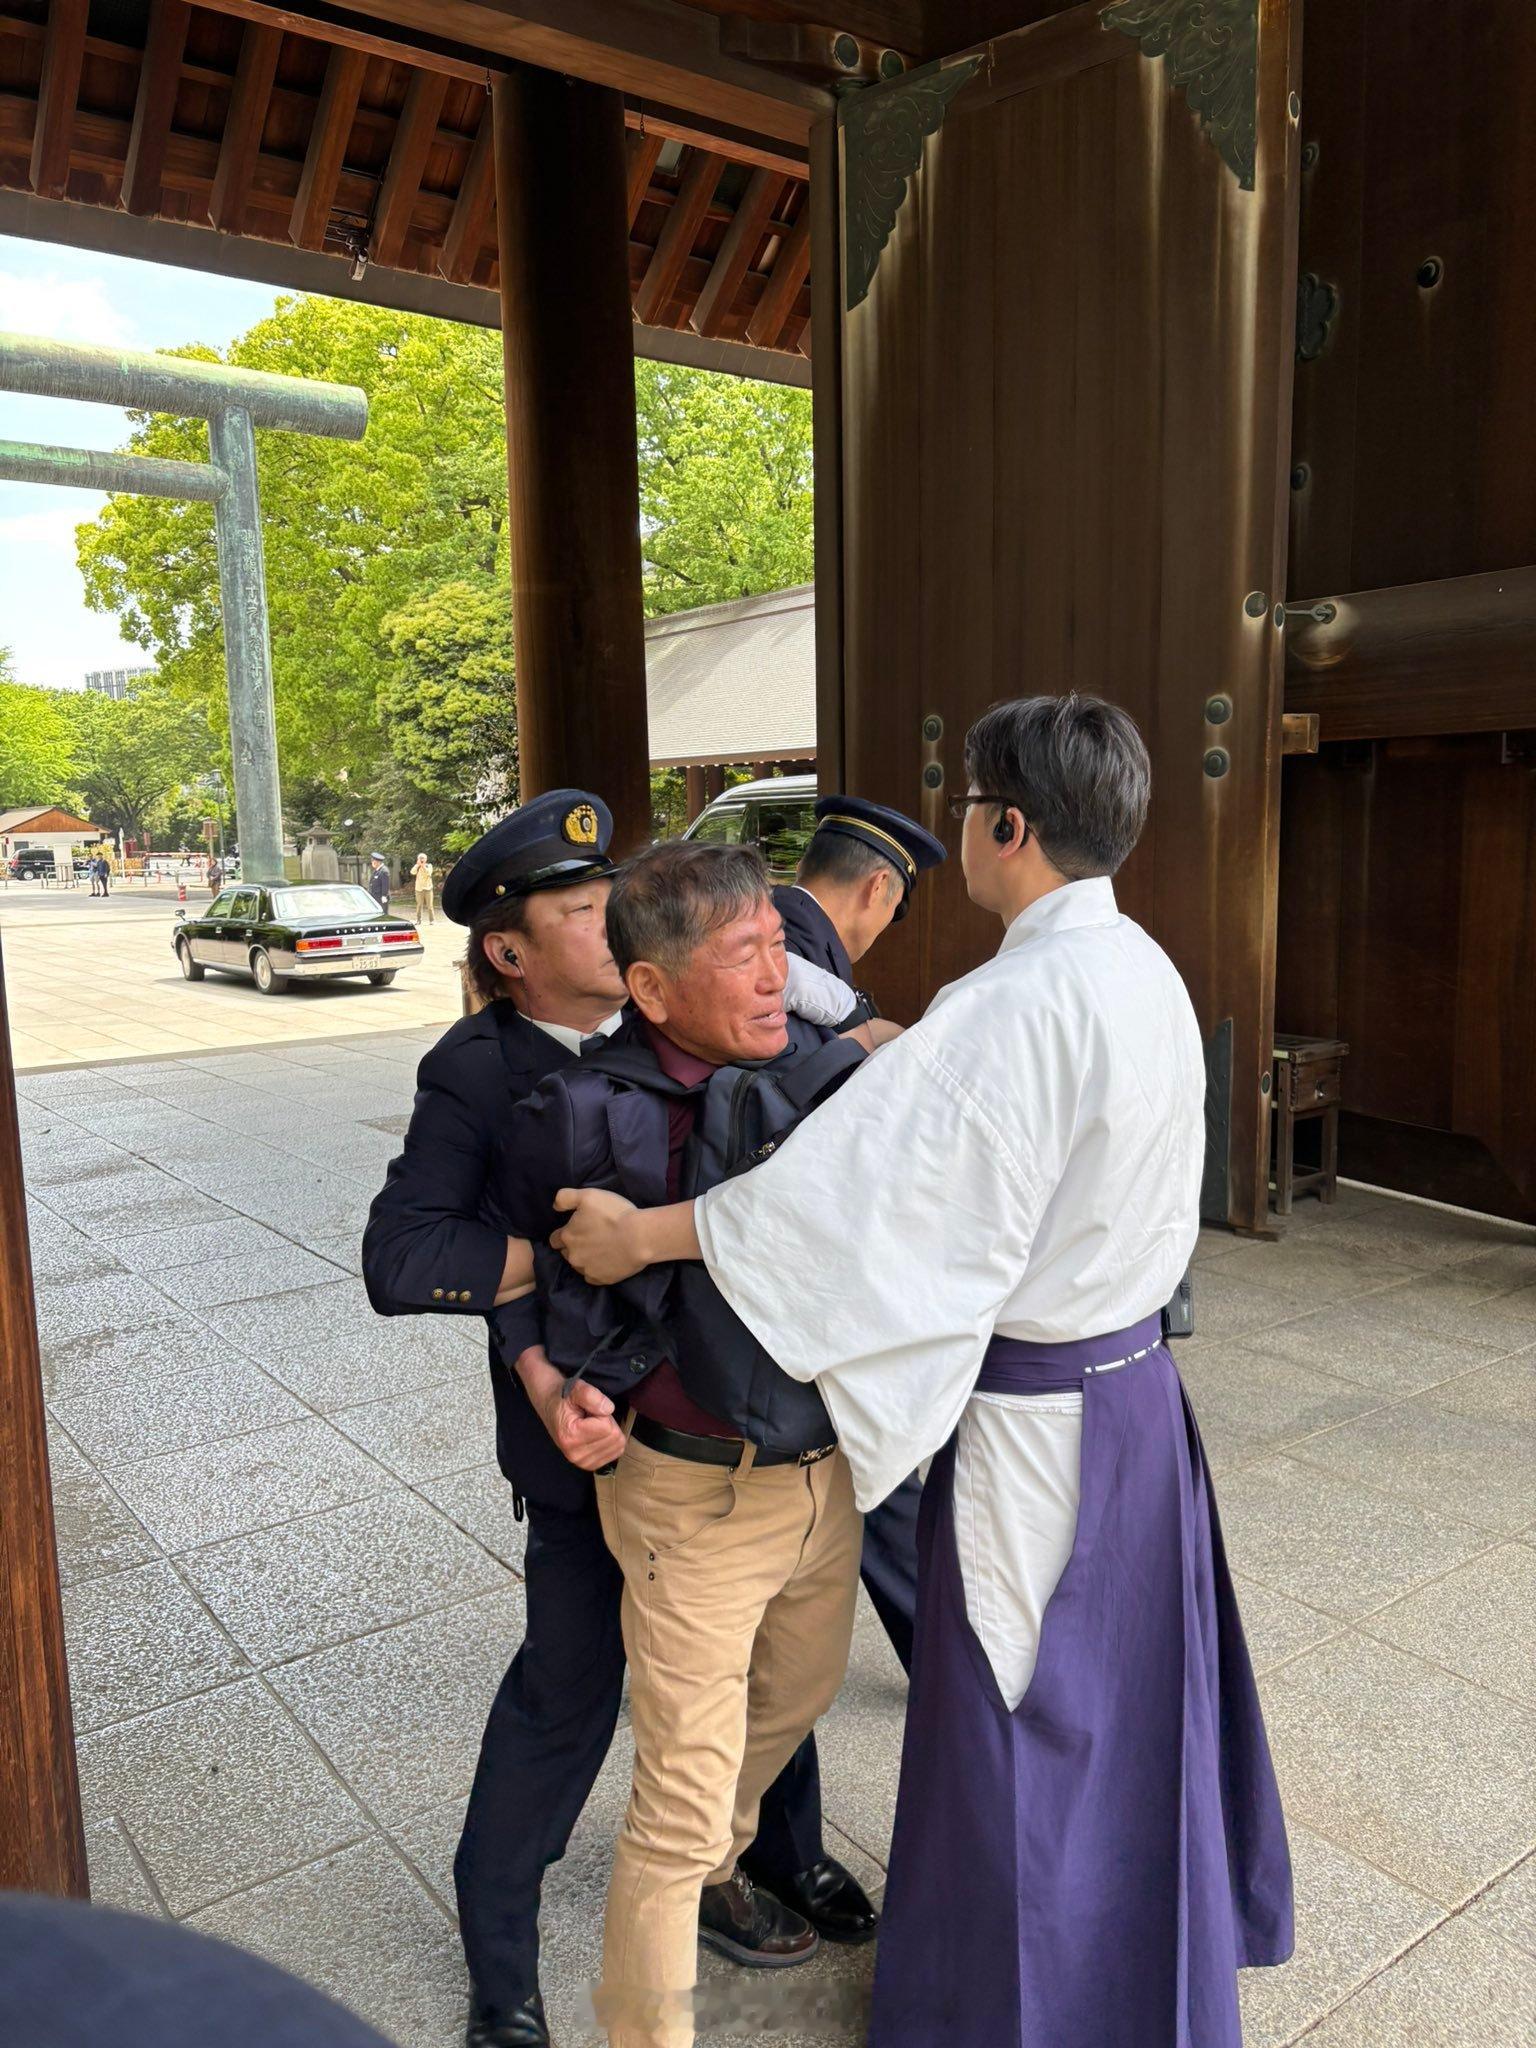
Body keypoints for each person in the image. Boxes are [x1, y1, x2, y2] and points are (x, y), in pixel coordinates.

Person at [553, 696, 1296, 2048]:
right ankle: (1149, 1966)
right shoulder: (1142, 968)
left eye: (969, 809)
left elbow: (850, 1206)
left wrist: (642, 1233)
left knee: (1028, 1720)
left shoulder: (1012, 1000)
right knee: (1123, 1704)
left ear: (1008, 826)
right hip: (1134, 1399)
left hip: (1040, 1420)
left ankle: (1028, 2011)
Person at [362, 801, 874, 2048]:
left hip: (762, 1433)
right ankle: (503, 1956)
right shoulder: (482, 1074)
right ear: (510, 952)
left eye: (616, 897)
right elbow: (405, 1252)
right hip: (588, 1436)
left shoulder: (746, 1012)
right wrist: (561, 1301)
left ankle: (749, 1865)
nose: (611, 917)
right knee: (568, 1696)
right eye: (581, 910)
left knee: (771, 1674)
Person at [412, 851, 436, 923]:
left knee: (430, 905)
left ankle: (432, 920)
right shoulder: (417, 866)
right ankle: (418, 920)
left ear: (426, 859)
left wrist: (423, 866)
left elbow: (429, 873)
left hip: (428, 888)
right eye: (420, 858)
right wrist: (417, 865)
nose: (422, 859)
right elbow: (412, 872)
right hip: (419, 889)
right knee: (419, 905)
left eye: (423, 858)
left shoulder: (429, 865)